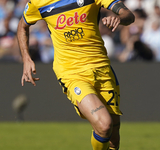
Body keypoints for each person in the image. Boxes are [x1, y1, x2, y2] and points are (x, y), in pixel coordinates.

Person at [17, 0, 134, 150]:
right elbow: (22, 25)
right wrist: (26, 58)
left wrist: (119, 18)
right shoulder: (39, 2)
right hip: (71, 72)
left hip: (102, 69)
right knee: (104, 125)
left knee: (113, 139)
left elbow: (128, 15)